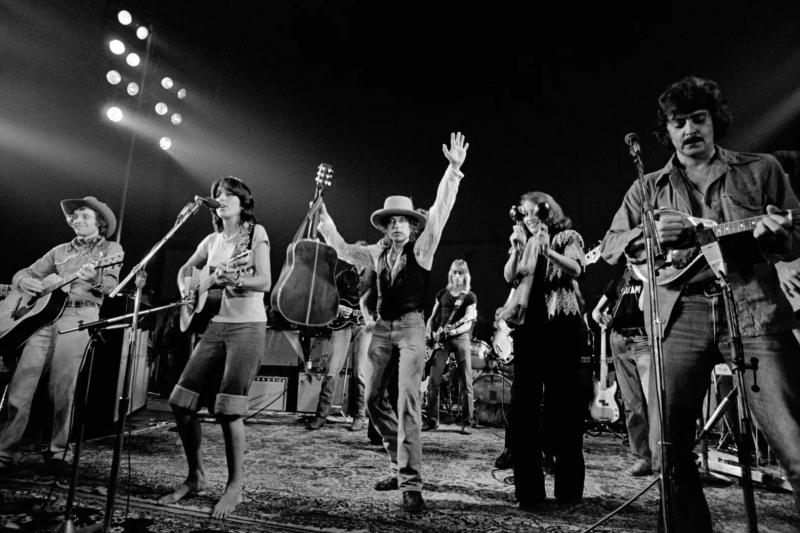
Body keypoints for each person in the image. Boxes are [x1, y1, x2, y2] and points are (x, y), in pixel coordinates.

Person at [601, 75, 800, 530]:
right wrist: (647, 233)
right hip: (679, 315)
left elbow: (794, 241)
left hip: (753, 311)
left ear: (714, 122)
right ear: (666, 131)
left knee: (796, 445)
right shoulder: (647, 189)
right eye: (678, 123)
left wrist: (781, 234)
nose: (689, 130)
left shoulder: (761, 169)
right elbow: (612, 244)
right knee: (669, 450)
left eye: (698, 119)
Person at [318, 131, 469, 514]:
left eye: (404, 221)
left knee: (407, 401)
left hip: (412, 327)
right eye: (393, 222)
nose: (399, 226)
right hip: (382, 330)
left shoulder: (424, 246)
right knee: (371, 400)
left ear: (412, 226)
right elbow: (341, 249)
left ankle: (411, 484)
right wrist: (324, 220)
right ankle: (396, 465)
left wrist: (452, 170)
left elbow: (440, 209)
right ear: (385, 228)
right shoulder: (375, 253)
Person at [159, 176, 271, 519]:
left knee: (229, 409)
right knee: (181, 402)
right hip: (217, 325)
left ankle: (235, 487)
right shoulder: (211, 240)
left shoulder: (255, 234)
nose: (221, 199)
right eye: (218, 195)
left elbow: (265, 281)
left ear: (242, 203)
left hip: (248, 326)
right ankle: (196, 476)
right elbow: (186, 269)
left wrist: (235, 279)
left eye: (229, 195)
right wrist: (186, 287)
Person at [0, 196, 123, 474]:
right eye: (74, 217)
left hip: (80, 316)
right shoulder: (58, 251)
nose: (77, 220)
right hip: (43, 319)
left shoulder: (111, 249)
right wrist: (26, 281)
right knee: (21, 385)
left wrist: (96, 279)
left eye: (84, 217)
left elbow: (110, 286)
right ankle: (5, 453)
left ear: (99, 223)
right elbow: (23, 273)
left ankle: (58, 451)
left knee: (62, 388)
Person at [501, 191, 586, 509]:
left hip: (561, 325)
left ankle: (568, 490)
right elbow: (510, 276)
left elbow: (577, 269)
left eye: (535, 211)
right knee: (524, 407)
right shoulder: (523, 241)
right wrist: (516, 248)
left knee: (563, 406)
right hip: (528, 326)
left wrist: (546, 249)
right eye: (524, 212)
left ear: (549, 212)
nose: (529, 216)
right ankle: (528, 491)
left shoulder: (566, 236)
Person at [591, 266, 652, 476]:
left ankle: (663, 455)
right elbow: (596, 311)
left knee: (653, 400)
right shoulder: (619, 279)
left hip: (644, 338)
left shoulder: (649, 272)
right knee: (631, 403)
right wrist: (600, 316)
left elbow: (647, 305)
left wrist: (643, 275)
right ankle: (642, 457)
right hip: (618, 339)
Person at [306, 260, 373, 431]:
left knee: (360, 372)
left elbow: (379, 304)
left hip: (363, 327)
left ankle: (359, 416)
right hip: (342, 324)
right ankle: (321, 416)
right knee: (332, 369)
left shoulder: (373, 277)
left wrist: (371, 315)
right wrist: (338, 308)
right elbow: (327, 298)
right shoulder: (343, 276)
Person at [423, 259, 477, 434]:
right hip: (441, 341)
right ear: (450, 274)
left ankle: (467, 422)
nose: (457, 276)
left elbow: (468, 322)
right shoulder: (442, 293)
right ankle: (432, 420)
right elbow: (432, 316)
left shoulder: (469, 296)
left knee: (466, 380)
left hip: (460, 338)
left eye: (460, 273)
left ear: (465, 276)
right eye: (454, 272)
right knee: (433, 380)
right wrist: (429, 330)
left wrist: (451, 331)